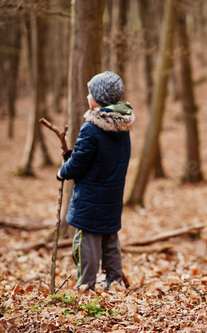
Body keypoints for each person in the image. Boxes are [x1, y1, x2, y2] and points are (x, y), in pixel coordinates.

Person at [57, 71, 135, 291]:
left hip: (91, 196)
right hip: (112, 194)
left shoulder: (91, 128)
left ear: (99, 99)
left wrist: (63, 170)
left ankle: (86, 284)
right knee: (110, 238)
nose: (87, 96)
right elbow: (101, 156)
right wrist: (74, 155)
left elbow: (80, 164)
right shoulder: (122, 127)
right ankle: (115, 281)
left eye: (90, 92)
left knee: (88, 241)